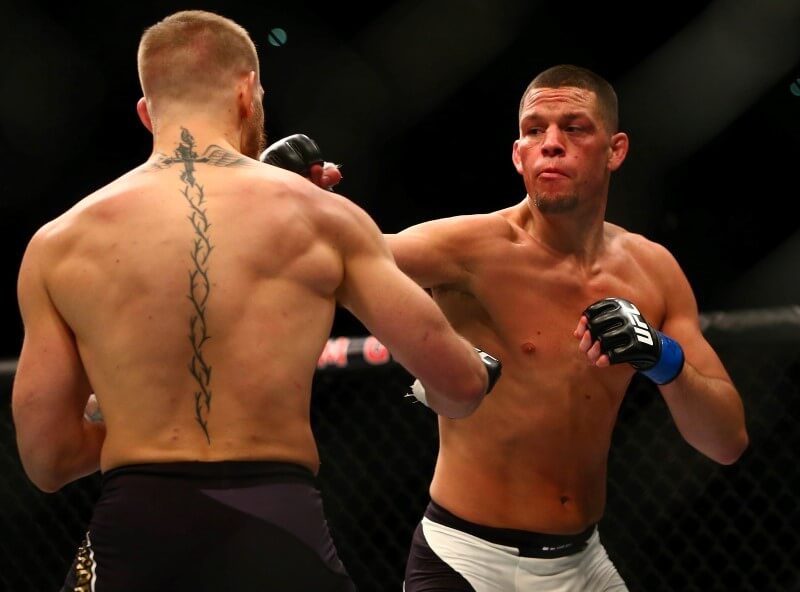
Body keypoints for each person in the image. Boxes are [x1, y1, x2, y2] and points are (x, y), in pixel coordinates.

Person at [10, 10, 501, 592]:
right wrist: (473, 370)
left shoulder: (59, 243)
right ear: (248, 94)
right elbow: (462, 385)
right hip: (278, 531)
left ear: (147, 111)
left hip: (135, 531)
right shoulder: (323, 219)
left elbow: (47, 459)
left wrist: (128, 406)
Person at [268, 64, 750, 590]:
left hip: (583, 564)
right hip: (466, 560)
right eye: (534, 130)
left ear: (615, 150)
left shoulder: (653, 271)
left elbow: (727, 442)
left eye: (575, 127)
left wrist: (663, 359)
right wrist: (294, 200)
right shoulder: (471, 249)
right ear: (518, 154)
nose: (551, 144)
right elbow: (338, 259)